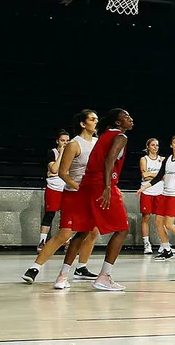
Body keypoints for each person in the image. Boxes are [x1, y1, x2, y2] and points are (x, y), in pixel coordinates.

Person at [22, 110, 99, 285]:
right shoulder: (74, 144)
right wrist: (78, 187)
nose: (96, 121)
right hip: (74, 194)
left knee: (92, 231)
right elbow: (63, 173)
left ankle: (81, 267)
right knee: (64, 234)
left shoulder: (97, 142)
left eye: (96, 119)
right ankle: (34, 268)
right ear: (83, 123)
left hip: (91, 194)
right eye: (92, 119)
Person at [63, 108, 134, 291]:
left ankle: (62, 276)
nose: (130, 119)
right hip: (101, 185)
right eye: (126, 117)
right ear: (118, 123)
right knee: (122, 230)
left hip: (87, 184)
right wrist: (108, 187)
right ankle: (104, 277)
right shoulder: (120, 137)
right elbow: (109, 161)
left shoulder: (103, 135)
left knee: (83, 231)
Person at [38, 130, 69, 252]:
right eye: (62, 140)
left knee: (66, 215)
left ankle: (67, 241)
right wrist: (61, 154)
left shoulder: (72, 154)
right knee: (50, 214)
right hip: (54, 187)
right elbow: (55, 169)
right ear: (57, 141)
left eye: (67, 141)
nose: (65, 143)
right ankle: (42, 242)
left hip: (67, 187)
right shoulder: (52, 153)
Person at [139, 138, 164, 254]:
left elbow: (165, 175)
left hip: (160, 191)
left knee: (161, 219)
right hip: (147, 191)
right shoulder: (144, 159)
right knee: (146, 217)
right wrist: (159, 175)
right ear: (148, 147)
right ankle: (146, 243)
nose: (155, 147)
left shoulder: (162, 159)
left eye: (157, 145)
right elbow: (144, 175)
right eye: (153, 145)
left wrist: (151, 174)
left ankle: (163, 244)